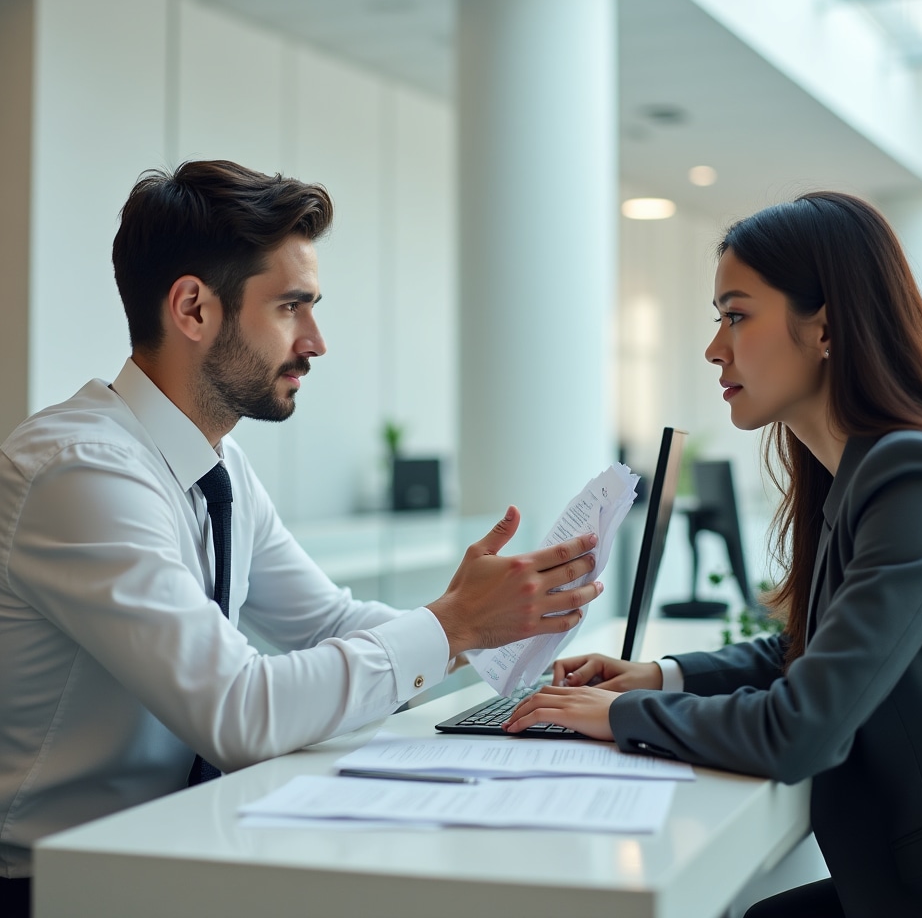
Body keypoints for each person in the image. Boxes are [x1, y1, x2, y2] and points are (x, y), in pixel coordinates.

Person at [0, 160, 602, 911]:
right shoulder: (80, 472)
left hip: (173, 847)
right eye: (291, 307)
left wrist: (499, 637)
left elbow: (328, 623)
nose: (314, 341)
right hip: (55, 887)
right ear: (193, 308)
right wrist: (452, 626)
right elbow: (240, 712)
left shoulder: (219, 466)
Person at [506, 191, 922, 917]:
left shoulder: (917, 475)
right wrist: (657, 676)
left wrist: (615, 716)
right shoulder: (858, 471)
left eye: (737, 315)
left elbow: (801, 729)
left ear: (827, 327)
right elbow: (813, 651)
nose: (716, 347)